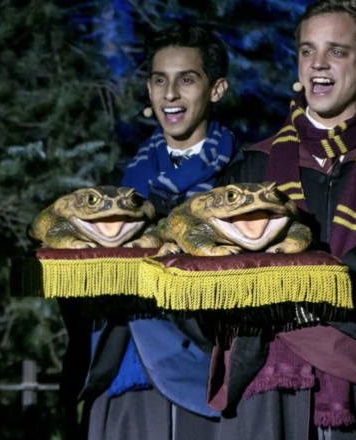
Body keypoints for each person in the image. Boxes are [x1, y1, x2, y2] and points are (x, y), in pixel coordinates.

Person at [216, 1, 356, 438]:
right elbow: (224, 271)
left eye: (336, 51)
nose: (318, 64)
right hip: (271, 391)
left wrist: (283, 294)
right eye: (307, 50)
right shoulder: (251, 169)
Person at [58, 24, 239, 439]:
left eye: (186, 80)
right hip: (119, 376)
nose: (170, 94)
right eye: (160, 80)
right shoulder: (121, 182)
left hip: (201, 384)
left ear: (217, 89)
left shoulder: (243, 180)